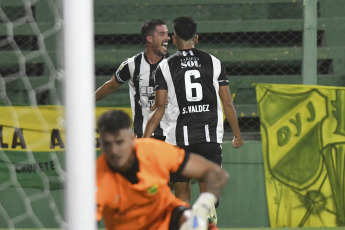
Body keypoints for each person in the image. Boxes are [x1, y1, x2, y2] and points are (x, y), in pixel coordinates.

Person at [143, 17, 244, 224]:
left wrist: (144, 140)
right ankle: (209, 214)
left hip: (179, 141)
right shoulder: (214, 62)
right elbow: (227, 104)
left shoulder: (165, 67)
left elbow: (160, 107)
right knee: (208, 199)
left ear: (173, 39)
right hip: (209, 138)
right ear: (196, 38)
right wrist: (237, 135)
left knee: (181, 198)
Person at [95, 110, 229, 230]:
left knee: (191, 221)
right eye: (107, 144)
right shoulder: (95, 179)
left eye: (119, 142)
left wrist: (201, 210)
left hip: (170, 218)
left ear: (132, 140)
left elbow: (216, 174)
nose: (114, 151)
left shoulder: (153, 151)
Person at [94, 19, 171, 140]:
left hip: (170, 136)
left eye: (167, 33)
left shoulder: (174, 64)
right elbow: (110, 86)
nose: (168, 38)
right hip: (141, 135)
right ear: (149, 38)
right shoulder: (132, 64)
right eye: (162, 34)